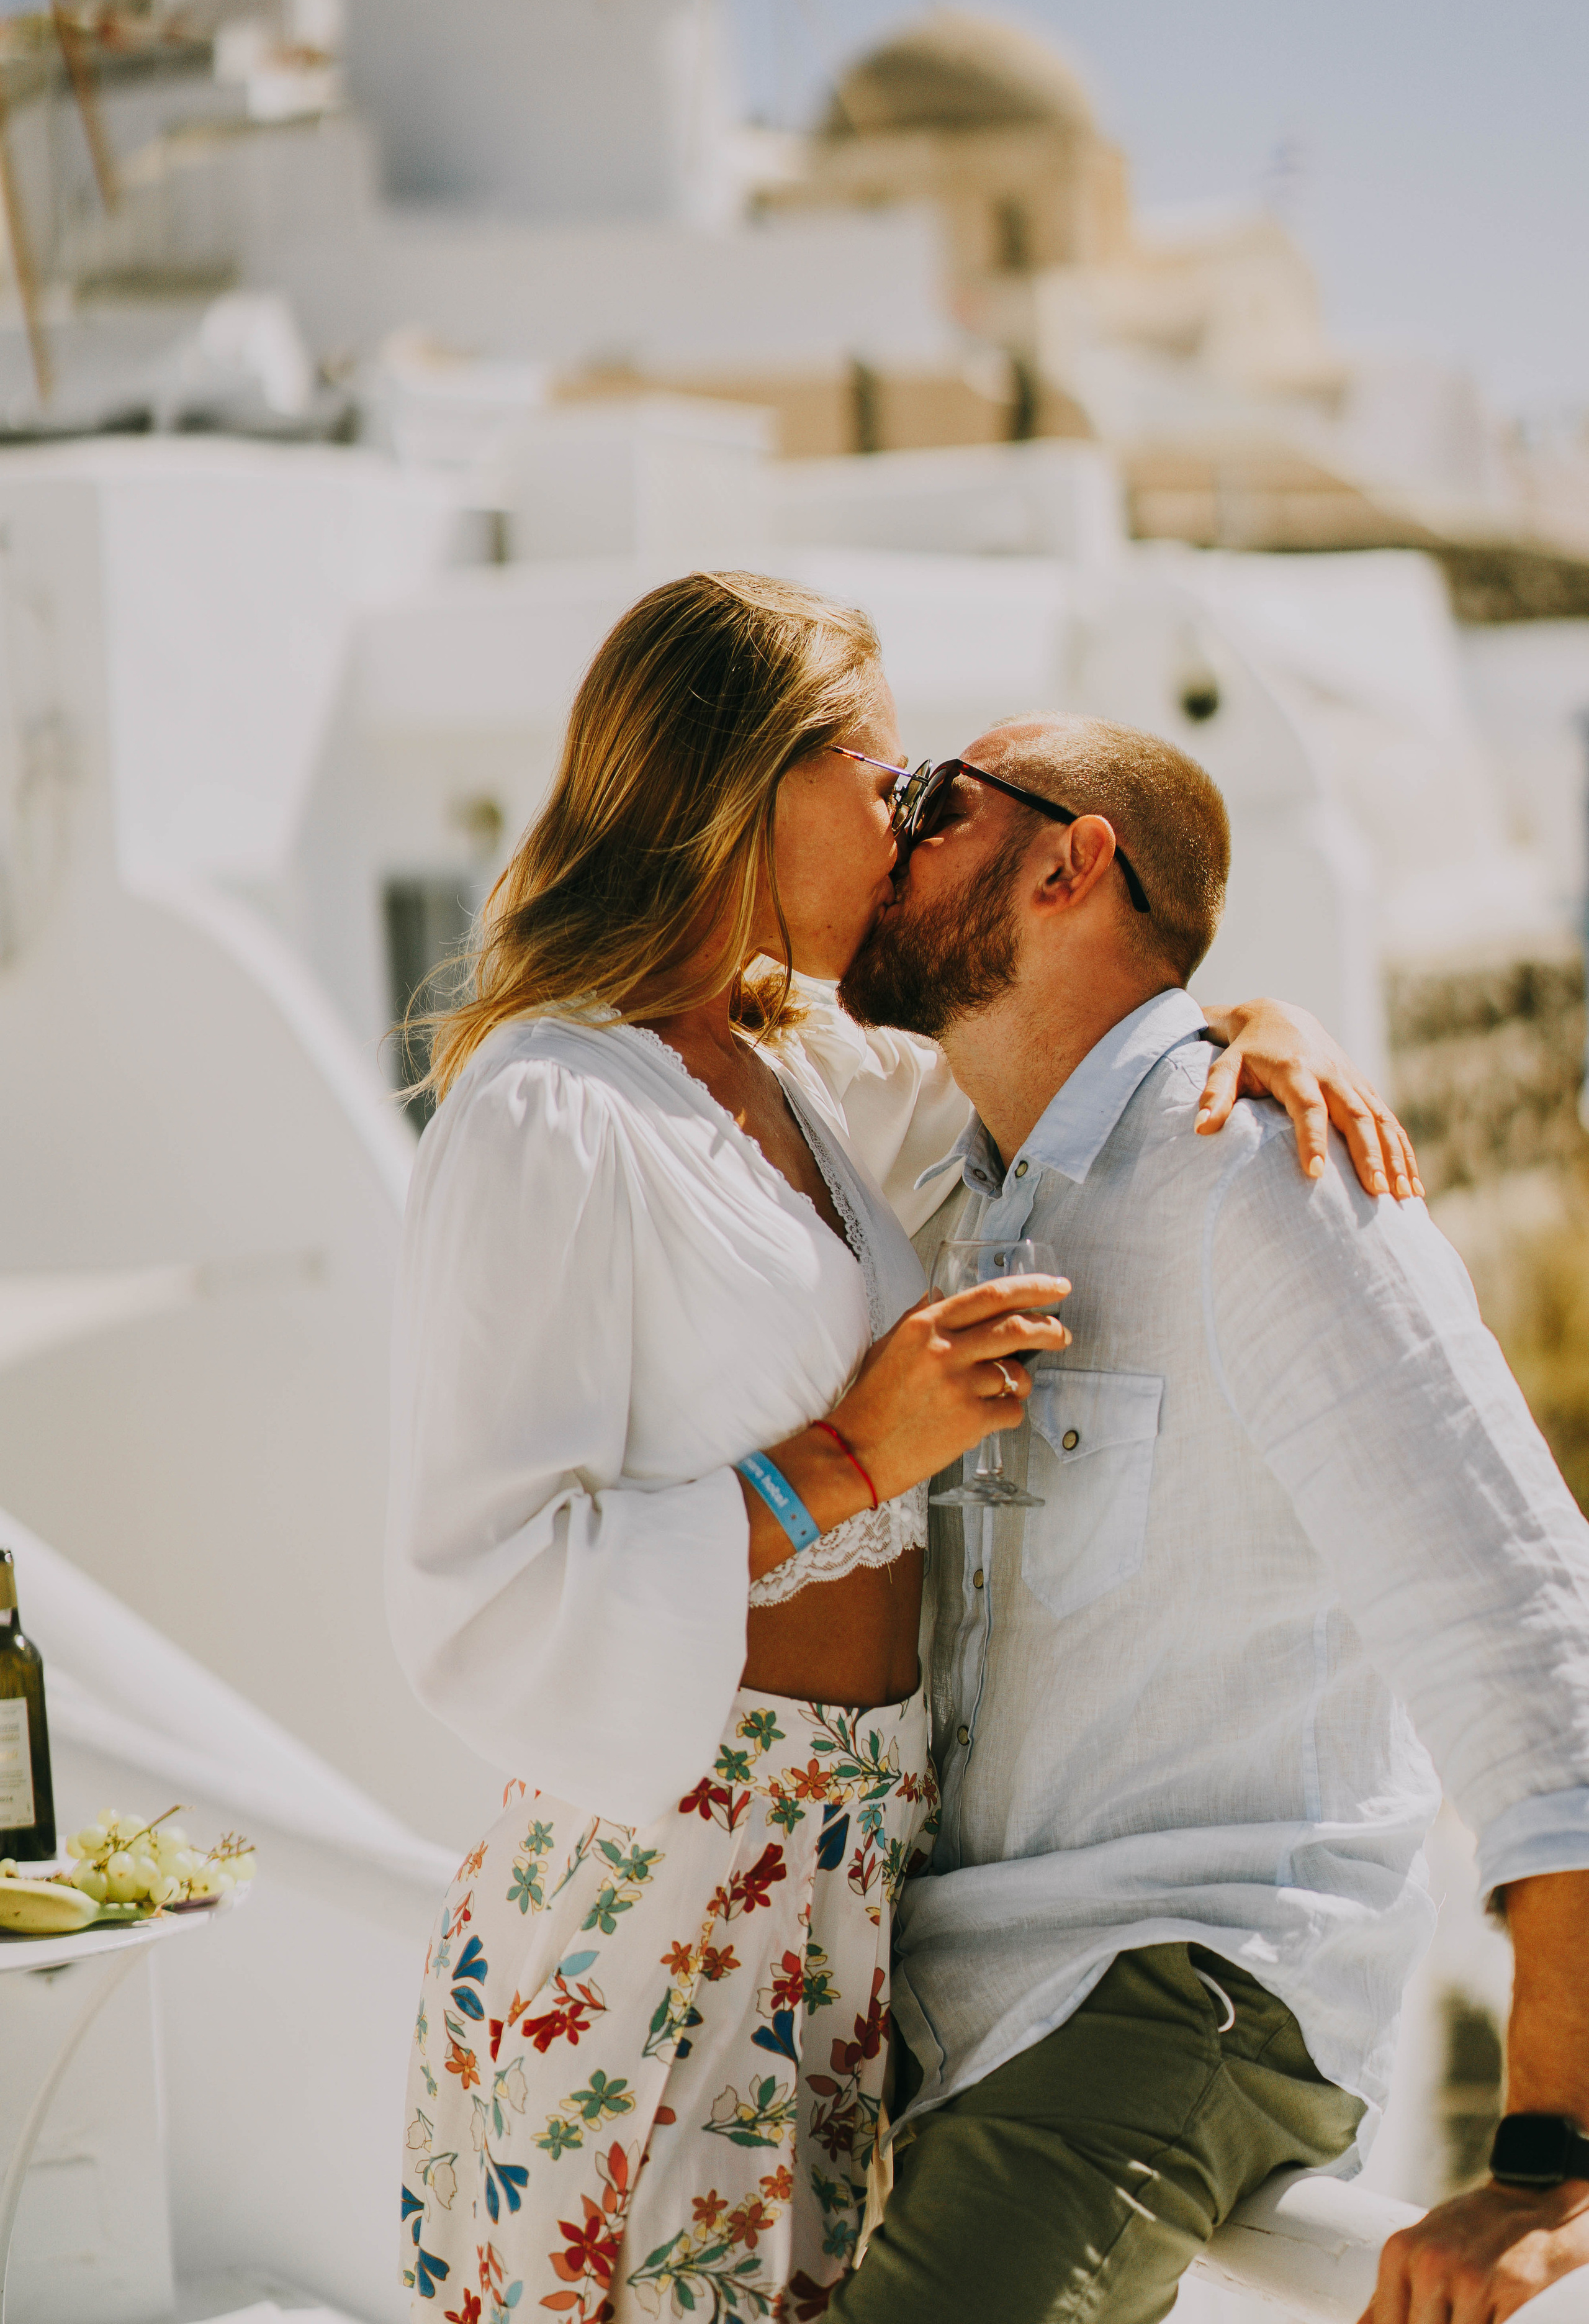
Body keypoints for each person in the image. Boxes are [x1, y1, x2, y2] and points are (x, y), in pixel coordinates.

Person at [387, 572, 1416, 2324]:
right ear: (746, 777)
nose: (908, 829)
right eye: (888, 780)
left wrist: (1260, 1022)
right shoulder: (549, 1111)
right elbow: (477, 1590)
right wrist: (852, 1462)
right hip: (666, 1884)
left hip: (863, 1892)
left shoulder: (807, 1073)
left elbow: (1083, 1048)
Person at [825, 712, 1589, 2324]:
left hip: (1184, 1982)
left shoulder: (1272, 1179)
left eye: (935, 802)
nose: (892, 834)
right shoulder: (952, 1190)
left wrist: (1553, 2160)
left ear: (1071, 862)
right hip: (952, 1998)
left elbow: (1532, 1639)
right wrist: (1238, 1008)